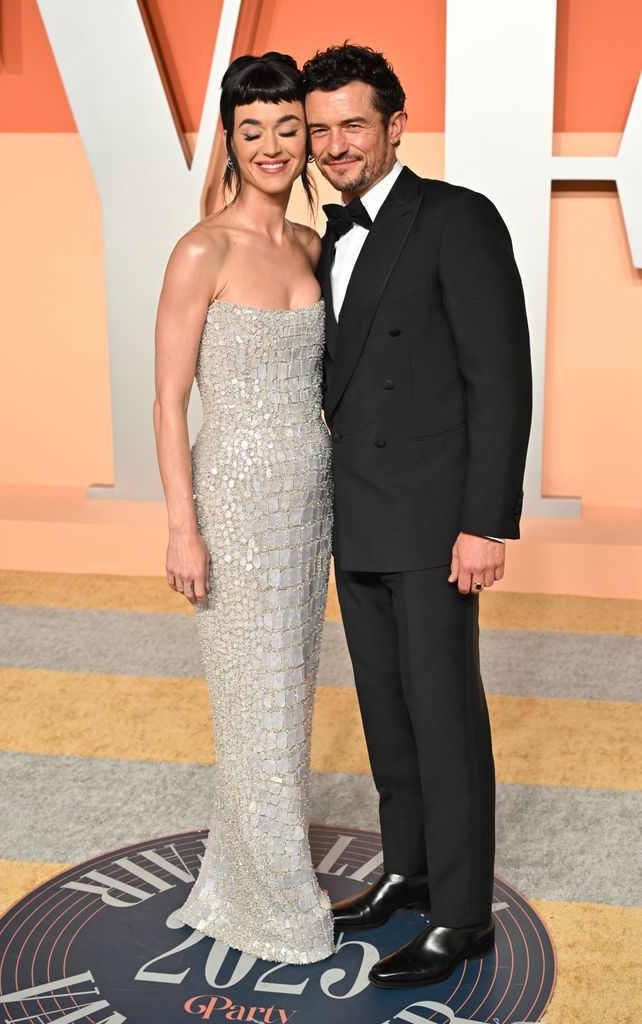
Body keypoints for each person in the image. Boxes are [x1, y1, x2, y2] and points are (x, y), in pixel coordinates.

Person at [303, 43, 532, 987]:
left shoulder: (457, 219)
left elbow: (501, 378)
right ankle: (408, 868)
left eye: (352, 124)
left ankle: (465, 916)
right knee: (387, 716)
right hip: (356, 518)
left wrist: (486, 522)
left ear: (397, 125)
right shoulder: (326, 240)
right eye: (320, 129)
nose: (334, 144)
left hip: (437, 521)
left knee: (444, 718)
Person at [152, 51, 334, 964]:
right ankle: (276, 899)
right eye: (251, 129)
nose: (270, 146)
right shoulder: (203, 249)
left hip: (311, 512)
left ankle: (248, 869)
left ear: (306, 139)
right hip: (232, 506)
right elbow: (166, 400)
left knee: (288, 699)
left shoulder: (308, 247)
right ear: (229, 139)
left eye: (287, 128)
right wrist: (182, 528)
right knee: (252, 704)